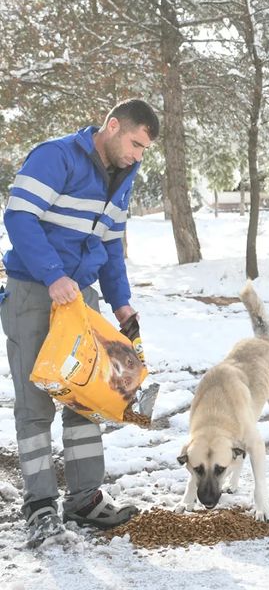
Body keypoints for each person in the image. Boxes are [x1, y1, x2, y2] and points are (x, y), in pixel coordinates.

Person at [0, 99, 160, 547]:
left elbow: (110, 248)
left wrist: (122, 304)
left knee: (87, 396)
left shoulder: (123, 177)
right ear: (111, 127)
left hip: (80, 299)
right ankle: (40, 506)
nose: (138, 156)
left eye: (144, 149)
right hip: (34, 291)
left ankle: (85, 499)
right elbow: (19, 216)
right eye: (134, 144)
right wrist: (53, 276)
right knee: (36, 403)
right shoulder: (56, 156)